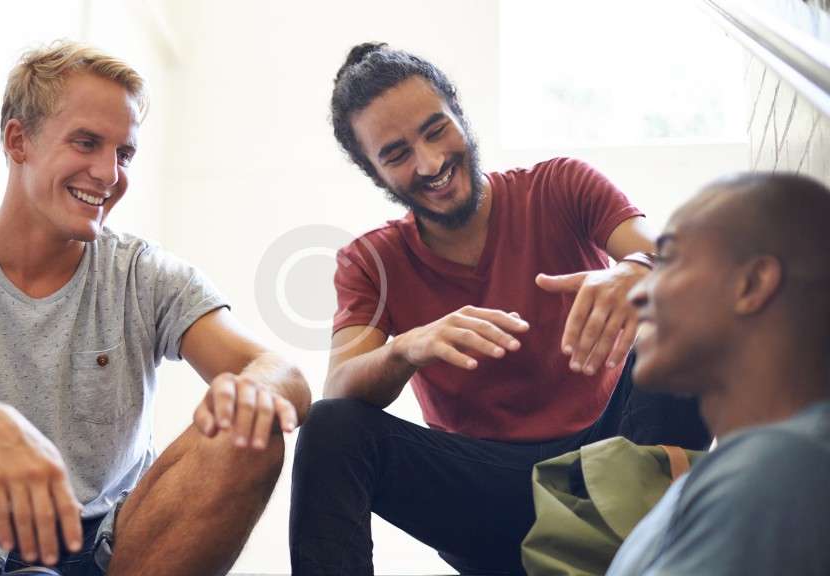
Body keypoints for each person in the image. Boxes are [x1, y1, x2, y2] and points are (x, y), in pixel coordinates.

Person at [0, 41, 310, 576]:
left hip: (115, 549)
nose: (108, 173)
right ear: (18, 140)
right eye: (86, 143)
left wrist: (253, 388)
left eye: (123, 154)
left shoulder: (144, 273)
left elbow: (287, 375)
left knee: (250, 432)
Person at [289, 42, 708, 575]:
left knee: (683, 311)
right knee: (331, 426)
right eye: (396, 155)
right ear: (373, 172)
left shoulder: (561, 185)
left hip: (616, 458)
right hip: (488, 496)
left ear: (459, 113)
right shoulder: (370, 261)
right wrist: (408, 348)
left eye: (436, 130)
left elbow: (676, 261)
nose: (430, 163)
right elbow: (340, 386)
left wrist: (639, 268)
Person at [606, 173, 830, 575]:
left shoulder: (781, 469)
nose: (638, 293)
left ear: (752, 284)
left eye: (668, 260)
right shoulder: (737, 472)